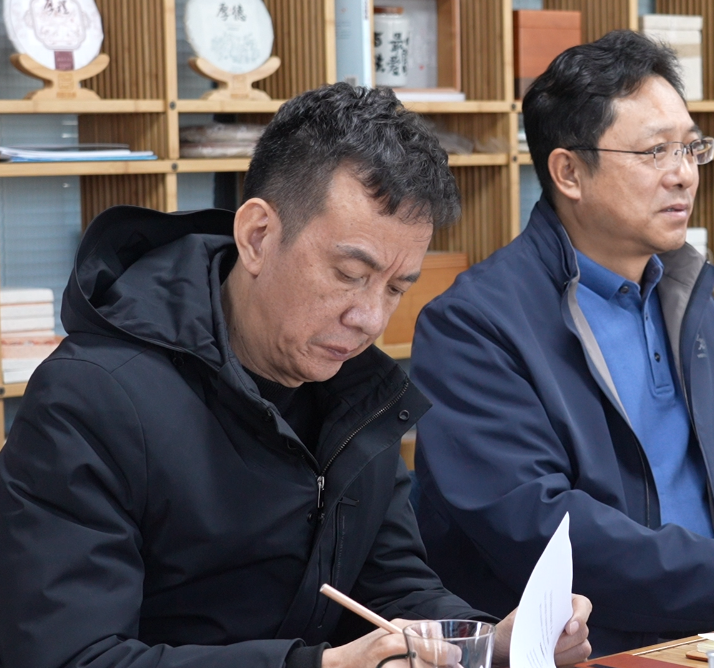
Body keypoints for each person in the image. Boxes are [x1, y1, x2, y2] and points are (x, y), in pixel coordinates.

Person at [0, 83, 591, 668]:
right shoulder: (91, 399)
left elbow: (394, 591)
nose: (370, 318)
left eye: (395, 288)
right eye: (349, 274)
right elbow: (69, 656)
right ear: (258, 236)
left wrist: (491, 642)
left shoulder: (356, 389)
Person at [410, 30, 714, 656]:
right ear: (569, 172)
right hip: (592, 649)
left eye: (690, 148)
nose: (683, 175)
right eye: (655, 152)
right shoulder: (472, 324)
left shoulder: (685, 293)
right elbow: (539, 529)